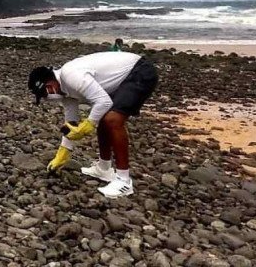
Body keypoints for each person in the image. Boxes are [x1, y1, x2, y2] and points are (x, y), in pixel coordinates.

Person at [27, 51, 158, 198]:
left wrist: (89, 124)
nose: (47, 99)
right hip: (122, 80)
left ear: (49, 84)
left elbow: (104, 102)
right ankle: (104, 168)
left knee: (112, 120)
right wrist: (63, 153)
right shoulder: (64, 92)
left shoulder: (71, 76)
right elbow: (71, 123)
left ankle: (124, 181)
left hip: (138, 72)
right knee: (102, 117)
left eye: (44, 94)